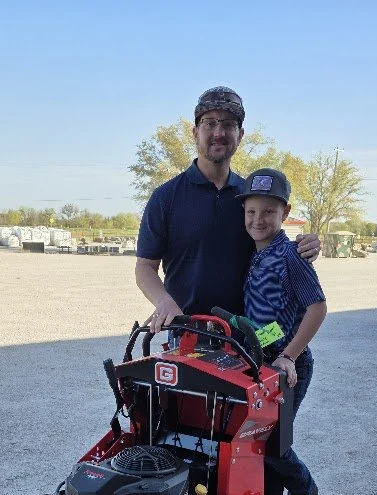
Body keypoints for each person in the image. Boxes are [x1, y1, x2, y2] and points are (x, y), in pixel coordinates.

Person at [135, 86, 320, 335]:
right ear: (195, 132)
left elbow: (275, 247)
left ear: (240, 134)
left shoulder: (252, 197)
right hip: (188, 333)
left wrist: (305, 246)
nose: (219, 133)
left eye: (229, 124)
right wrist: (164, 301)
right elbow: (145, 267)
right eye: (209, 123)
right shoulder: (165, 197)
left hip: (246, 338)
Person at [239, 167, 327, 495]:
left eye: (268, 213)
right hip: (260, 360)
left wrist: (288, 356)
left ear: (285, 214)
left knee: (271, 441)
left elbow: (317, 308)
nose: (258, 220)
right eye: (251, 212)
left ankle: (304, 489)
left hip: (289, 366)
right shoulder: (257, 252)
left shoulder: (291, 257)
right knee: (257, 441)